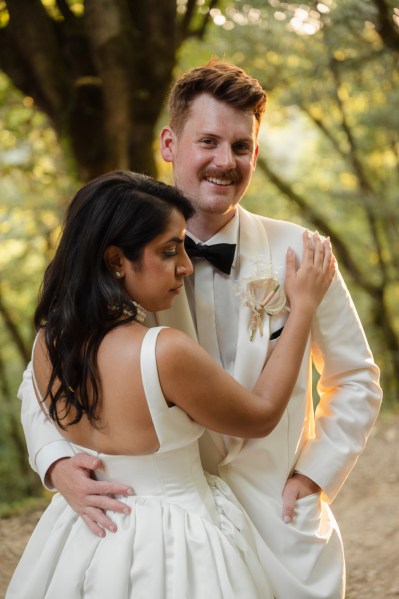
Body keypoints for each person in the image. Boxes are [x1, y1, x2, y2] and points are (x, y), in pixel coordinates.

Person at [17, 61, 382, 598]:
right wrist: (55, 463)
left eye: (241, 146)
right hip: (160, 532)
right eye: (208, 140)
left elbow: (355, 378)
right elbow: (45, 370)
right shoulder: (119, 250)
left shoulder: (300, 253)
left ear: (256, 152)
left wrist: (314, 476)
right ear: (169, 143)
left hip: (277, 521)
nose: (224, 161)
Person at [7, 170, 334, 599]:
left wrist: (54, 463)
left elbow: (35, 407)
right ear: (116, 262)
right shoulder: (163, 352)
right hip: (176, 543)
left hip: (83, 533)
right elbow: (261, 414)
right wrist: (304, 308)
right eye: (169, 251)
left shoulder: (48, 344)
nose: (185, 265)